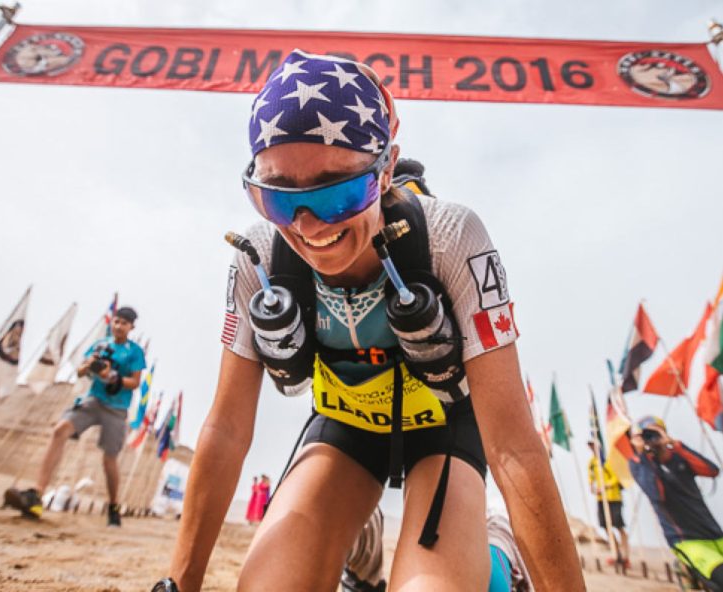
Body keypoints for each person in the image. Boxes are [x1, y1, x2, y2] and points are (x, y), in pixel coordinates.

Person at [155, 50, 583, 592]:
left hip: (444, 426)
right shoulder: (258, 258)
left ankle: (495, 552)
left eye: (338, 193)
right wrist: (178, 584)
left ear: (385, 170)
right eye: (278, 197)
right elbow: (226, 429)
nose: (309, 227)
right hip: (346, 428)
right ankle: (359, 545)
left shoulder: (451, 238)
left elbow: (515, 448)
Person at [5, 306, 146, 527]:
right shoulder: (100, 345)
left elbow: (135, 382)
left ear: (131, 327)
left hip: (116, 408)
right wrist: (90, 366)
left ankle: (113, 506)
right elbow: (80, 371)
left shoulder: (135, 352)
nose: (119, 326)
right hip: (92, 400)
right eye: (116, 321)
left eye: (124, 323)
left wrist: (112, 376)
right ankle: (37, 494)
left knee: (109, 458)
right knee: (59, 431)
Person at [624, 416, 723, 587]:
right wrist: (642, 453)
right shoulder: (639, 464)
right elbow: (655, 493)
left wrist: (674, 445)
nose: (651, 438)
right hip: (687, 540)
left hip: (714, 533)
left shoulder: (678, 457)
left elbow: (712, 470)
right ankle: (686, 569)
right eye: (646, 435)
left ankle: (689, 574)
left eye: (655, 432)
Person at [587, 439, 630, 568]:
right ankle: (616, 554)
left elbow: (616, 477)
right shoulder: (592, 463)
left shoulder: (609, 460)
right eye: (590, 446)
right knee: (606, 527)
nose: (591, 448)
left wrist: (605, 486)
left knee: (619, 526)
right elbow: (591, 477)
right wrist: (592, 486)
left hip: (614, 497)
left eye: (593, 445)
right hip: (601, 499)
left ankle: (625, 555)